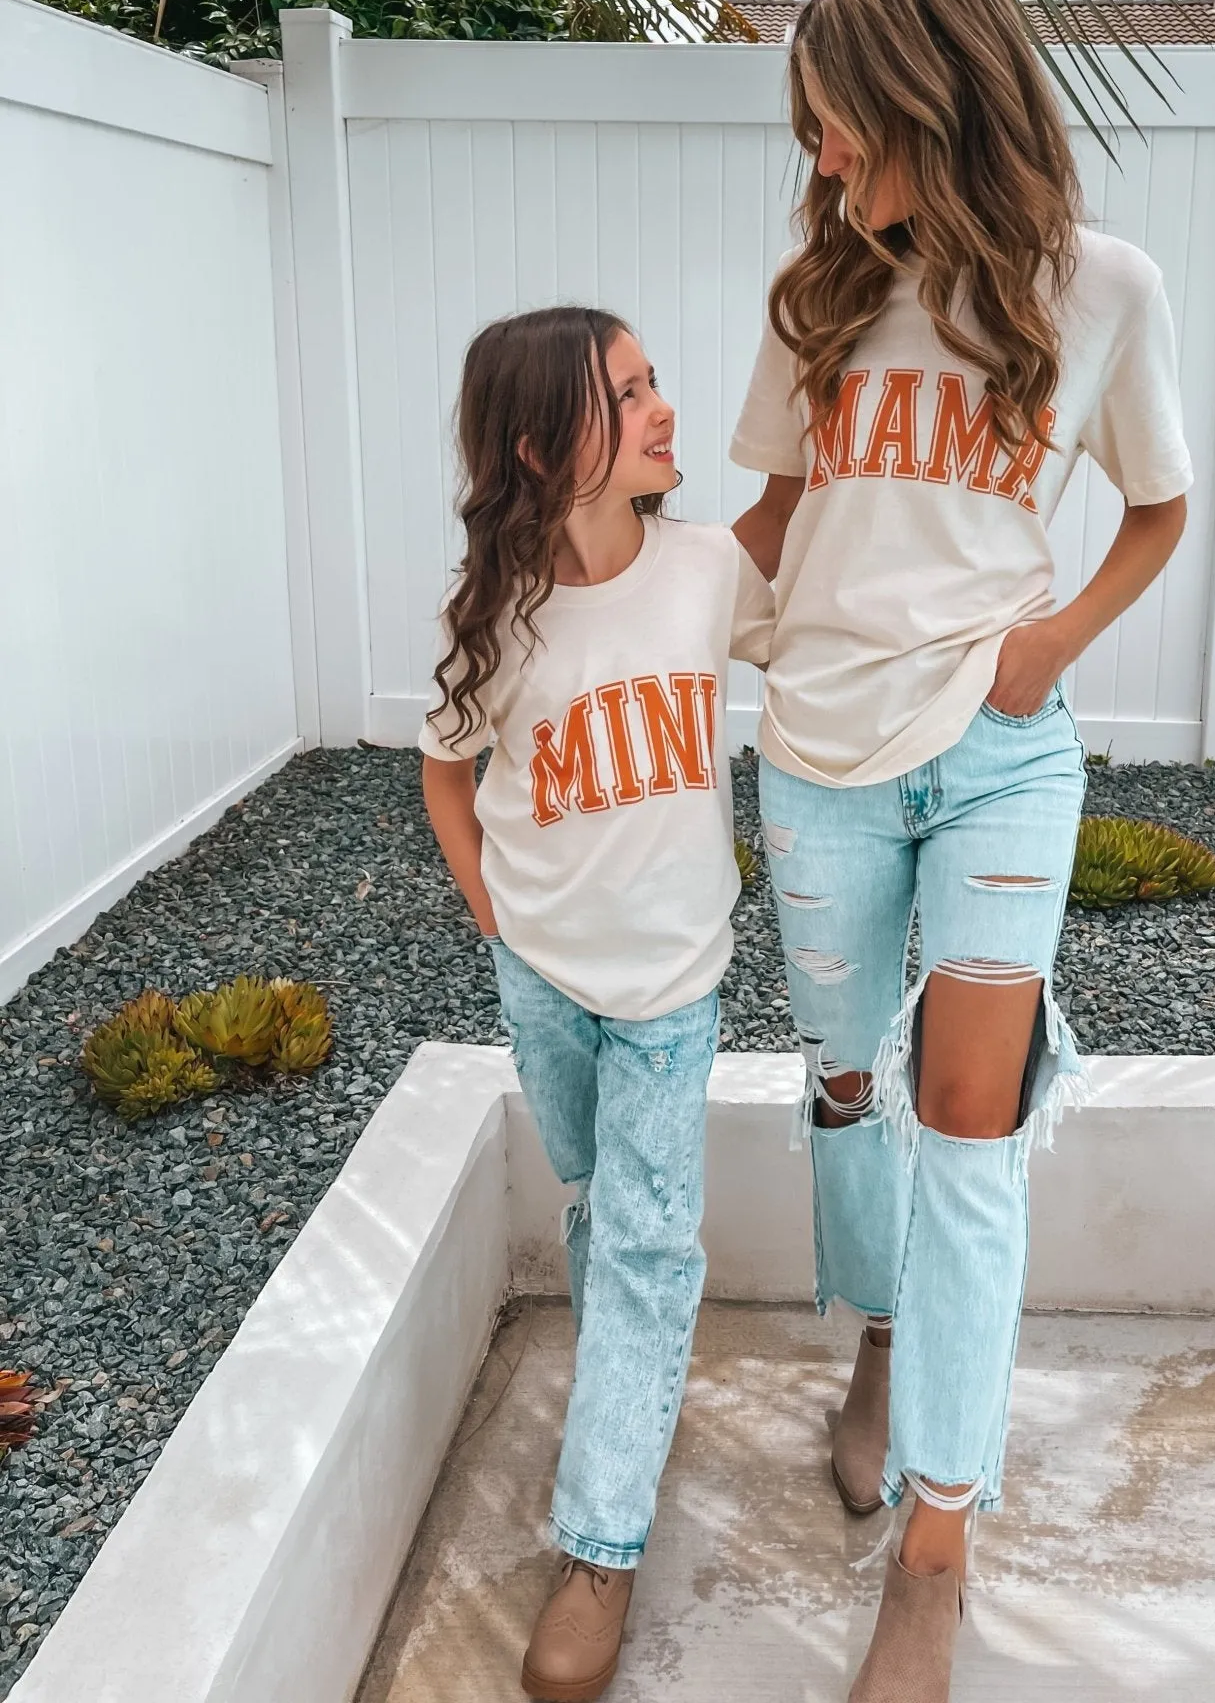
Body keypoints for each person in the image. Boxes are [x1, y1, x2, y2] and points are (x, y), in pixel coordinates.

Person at [732, 0, 1193, 1701]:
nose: (823, 162)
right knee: (850, 1084)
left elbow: (1154, 510)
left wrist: (1049, 648)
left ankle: (938, 1541)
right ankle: (880, 1342)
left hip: (1003, 753)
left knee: (971, 1131)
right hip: (823, 753)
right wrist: (610, 610)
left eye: (840, 127)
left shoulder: (1104, 292)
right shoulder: (819, 300)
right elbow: (772, 528)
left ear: (933, 96)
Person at [420, 306, 772, 1703]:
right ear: (536, 443)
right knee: (593, 1202)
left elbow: (816, 651)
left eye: (652, 383)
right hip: (547, 980)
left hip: (677, 986)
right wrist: (486, 906)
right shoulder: (494, 620)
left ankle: (601, 1541)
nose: (661, 409)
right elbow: (448, 773)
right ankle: (631, 1390)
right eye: (624, 396)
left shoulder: (708, 573)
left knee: (640, 1240)